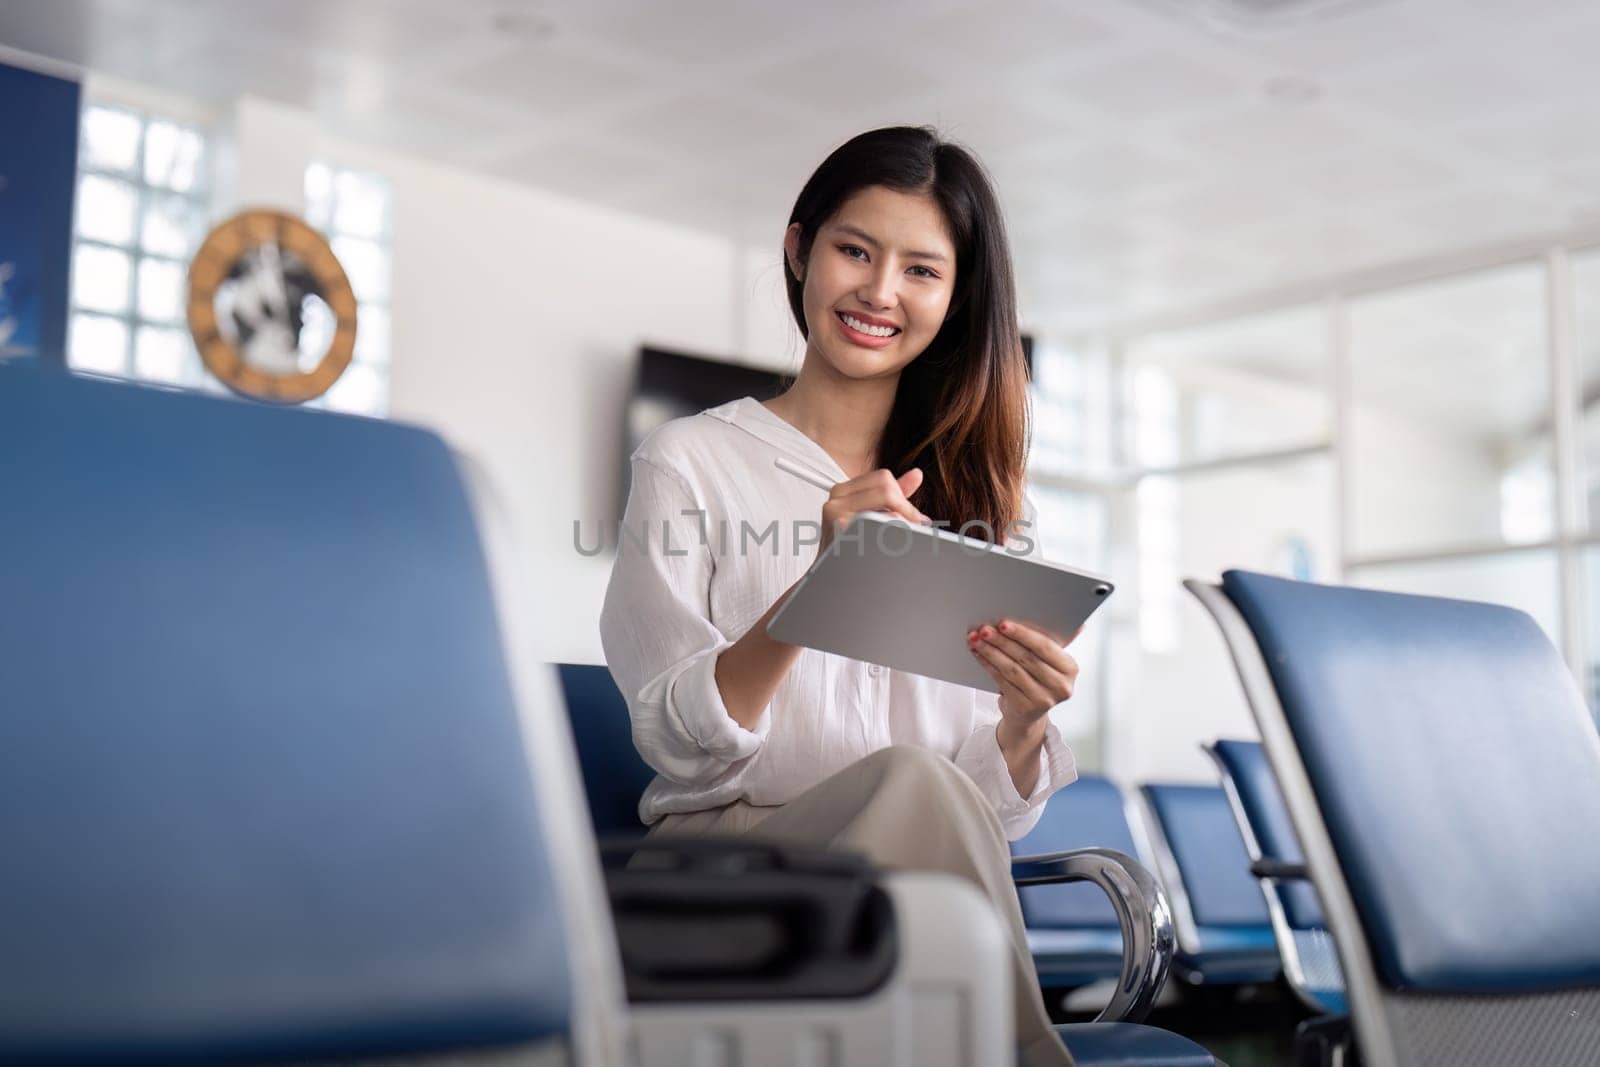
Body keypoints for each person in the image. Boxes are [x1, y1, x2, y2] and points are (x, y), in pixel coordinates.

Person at [600, 126, 1084, 1066]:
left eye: (921, 270)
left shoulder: (970, 506)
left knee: (924, 786)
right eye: (855, 250)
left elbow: (979, 814)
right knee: (913, 780)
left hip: (896, 884)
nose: (880, 291)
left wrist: (1022, 727)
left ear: (955, 298)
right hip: (724, 871)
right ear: (799, 251)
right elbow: (674, 743)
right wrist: (817, 590)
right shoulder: (689, 460)